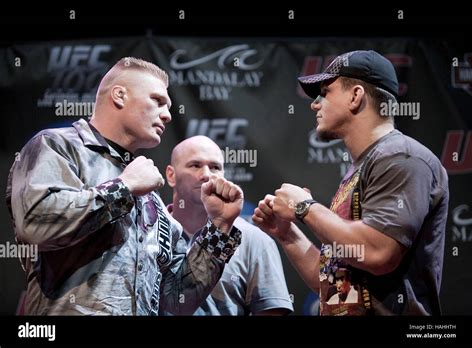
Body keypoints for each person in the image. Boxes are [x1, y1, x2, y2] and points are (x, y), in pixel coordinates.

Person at [5, 57, 244, 315]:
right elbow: (36, 223)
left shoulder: (151, 201)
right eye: (157, 101)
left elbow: (176, 302)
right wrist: (124, 188)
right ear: (119, 95)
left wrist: (219, 228)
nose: (167, 114)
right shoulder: (57, 147)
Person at [253, 50, 449, 315]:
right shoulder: (364, 168)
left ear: (356, 96)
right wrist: (287, 233)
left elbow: (378, 253)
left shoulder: (402, 158)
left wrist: (305, 208)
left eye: (325, 92)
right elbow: (336, 285)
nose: (315, 104)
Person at [163, 136, 293, 315]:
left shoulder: (254, 240)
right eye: (195, 165)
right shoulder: (150, 231)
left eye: (215, 167)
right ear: (171, 175)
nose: (207, 175)